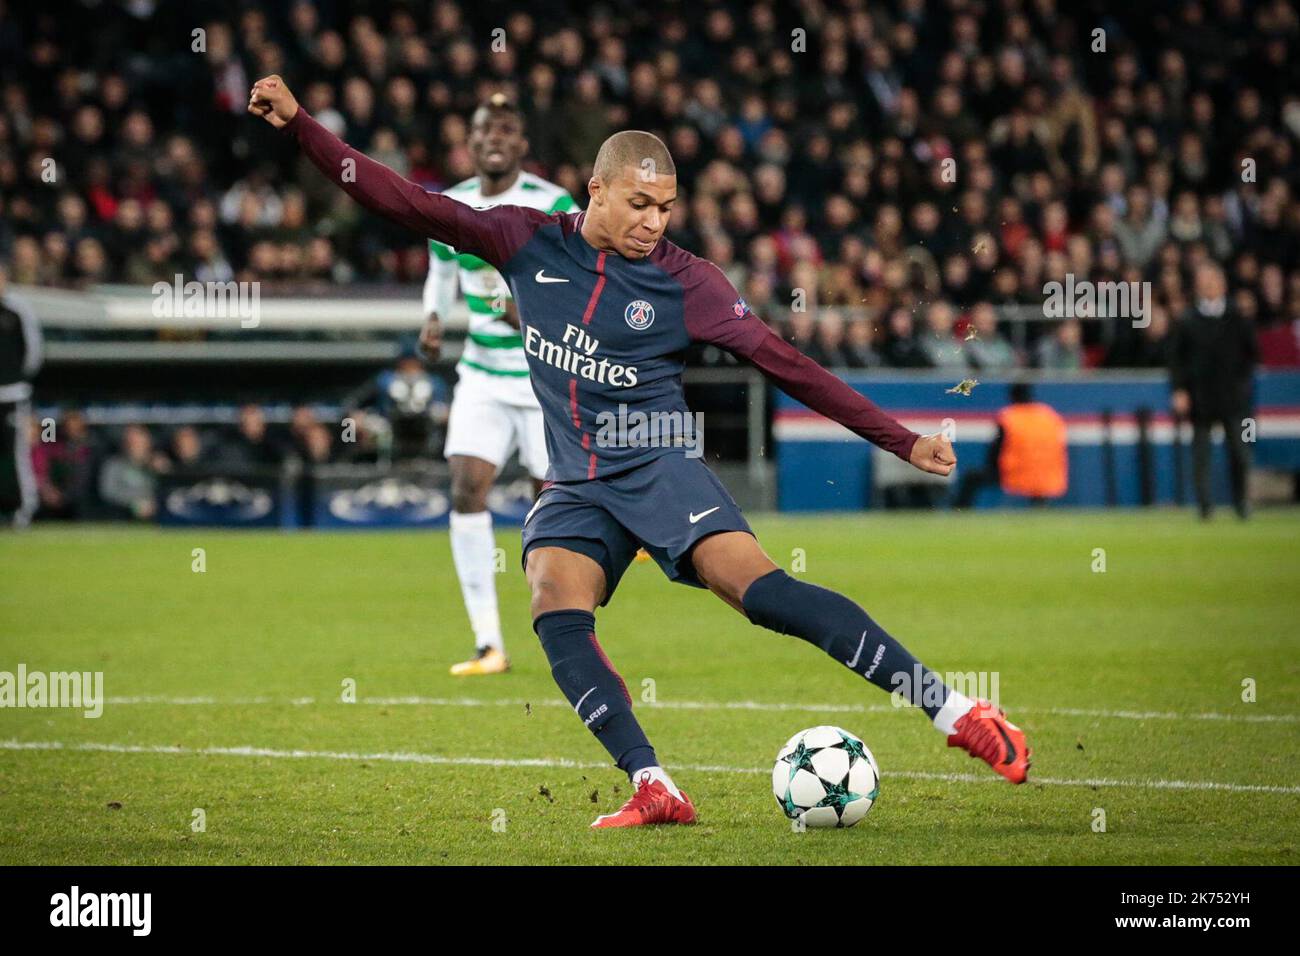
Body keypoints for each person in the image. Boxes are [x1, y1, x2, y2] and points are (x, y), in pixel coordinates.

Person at [249, 75, 1033, 830]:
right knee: (554, 604)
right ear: (595, 189)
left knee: (762, 596)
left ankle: (956, 710)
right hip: (578, 481)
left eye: (665, 207)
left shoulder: (689, 283)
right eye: (639, 203)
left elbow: (786, 364)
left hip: (656, 461)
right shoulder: (522, 240)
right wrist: (301, 126)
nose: (655, 222)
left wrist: (901, 440)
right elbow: (403, 199)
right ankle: (652, 783)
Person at [420, 94, 577, 676]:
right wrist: (433, 317)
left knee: (558, 504)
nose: (493, 138)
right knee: (465, 488)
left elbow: (577, 277)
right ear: (471, 139)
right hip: (482, 374)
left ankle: (565, 625)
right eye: (483, 128)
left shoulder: (552, 202)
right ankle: (488, 643)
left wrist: (534, 312)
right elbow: (440, 269)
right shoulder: (452, 203)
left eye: (505, 130)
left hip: (542, 380)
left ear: (521, 144)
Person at [1170, 262, 1257, 519]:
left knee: (1240, 452)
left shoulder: (1237, 317)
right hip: (1201, 397)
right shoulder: (1187, 320)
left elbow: (1251, 353)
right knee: (1201, 455)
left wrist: (1241, 383)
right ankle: (1205, 506)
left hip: (1233, 398)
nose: (1208, 286)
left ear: (1223, 284)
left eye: (1213, 280)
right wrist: (1180, 390)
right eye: (1204, 281)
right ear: (1197, 286)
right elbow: (1176, 360)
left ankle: (1241, 502)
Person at [0, 262, 42, 529]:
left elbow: (32, 353)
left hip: (12, 394)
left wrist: (14, 379)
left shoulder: (17, 309)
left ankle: (21, 509)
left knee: (16, 453)